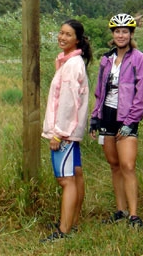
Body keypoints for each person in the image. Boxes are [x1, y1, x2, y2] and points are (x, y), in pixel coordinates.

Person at [89, 13, 143, 228]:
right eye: (117, 31)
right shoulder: (106, 60)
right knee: (114, 165)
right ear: (112, 34)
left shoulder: (140, 59)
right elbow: (100, 91)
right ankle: (120, 210)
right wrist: (95, 117)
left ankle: (134, 215)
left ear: (131, 33)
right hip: (107, 114)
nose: (121, 35)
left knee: (127, 165)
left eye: (125, 31)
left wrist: (131, 122)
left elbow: (141, 94)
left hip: (126, 118)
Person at [41, 19, 92, 242]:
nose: (62, 37)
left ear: (77, 39)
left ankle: (63, 231)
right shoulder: (69, 62)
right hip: (71, 131)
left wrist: (58, 133)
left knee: (66, 179)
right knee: (76, 174)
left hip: (65, 132)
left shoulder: (72, 65)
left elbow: (69, 103)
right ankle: (72, 221)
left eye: (68, 34)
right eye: (61, 33)